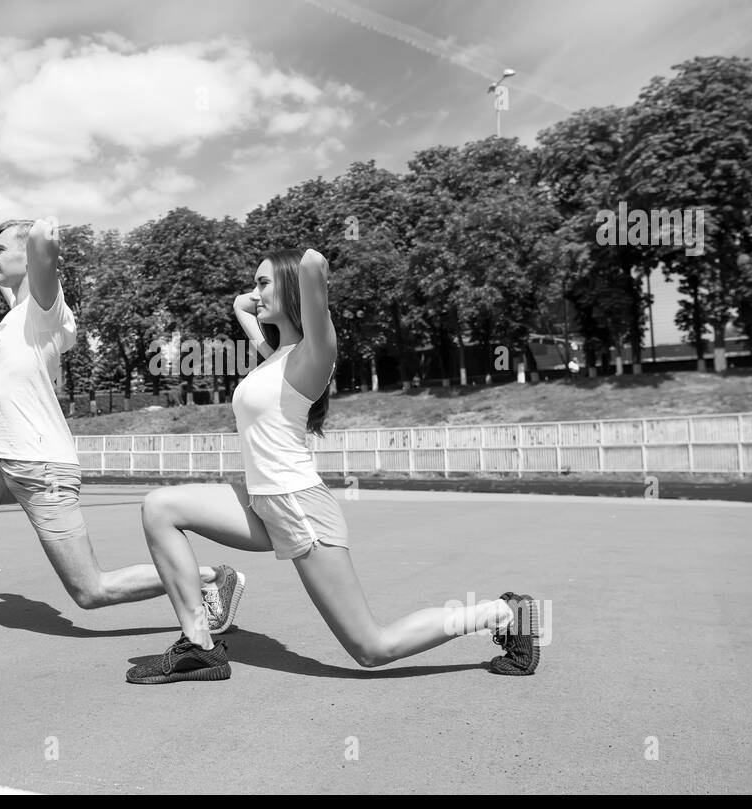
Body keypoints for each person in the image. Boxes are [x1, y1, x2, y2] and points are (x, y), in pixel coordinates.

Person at [127, 247, 540, 683]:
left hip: (298, 509)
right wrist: (263, 292)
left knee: (372, 648)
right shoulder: (272, 354)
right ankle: (199, 647)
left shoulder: (312, 356)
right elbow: (240, 306)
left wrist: (295, 278)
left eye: (263, 283)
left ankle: (502, 612)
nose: (254, 293)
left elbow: (312, 265)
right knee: (160, 507)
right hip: (260, 501)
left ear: (290, 289)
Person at [0, 219, 244, 643]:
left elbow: (41, 248)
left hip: (43, 470)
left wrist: (42, 230)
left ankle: (209, 578)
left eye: (0, 250)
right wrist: (13, 245)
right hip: (7, 462)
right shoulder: (18, 315)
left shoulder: (46, 308)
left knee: (91, 591)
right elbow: (15, 277)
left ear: (29, 259)